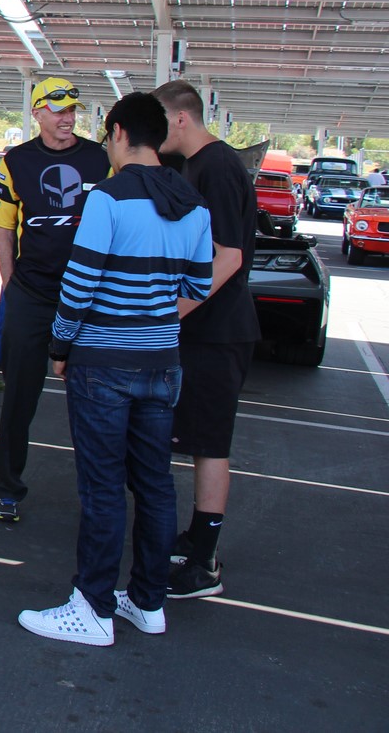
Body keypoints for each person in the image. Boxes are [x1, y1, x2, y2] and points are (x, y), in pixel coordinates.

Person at [17, 93, 214, 646]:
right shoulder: (194, 205)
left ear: (121, 133)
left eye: (106, 136)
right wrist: (153, 313)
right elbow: (198, 286)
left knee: (102, 487)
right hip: (162, 363)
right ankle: (148, 602)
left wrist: (60, 346)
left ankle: (93, 608)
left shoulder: (106, 198)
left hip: (103, 364)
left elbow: (78, 284)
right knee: (154, 484)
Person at [0, 76, 112, 522]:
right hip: (32, 295)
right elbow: (2, 226)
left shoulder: (102, 158)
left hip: (92, 297)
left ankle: (100, 494)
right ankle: (7, 489)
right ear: (37, 113)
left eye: (72, 110)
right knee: (20, 395)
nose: (67, 118)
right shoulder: (16, 161)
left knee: (97, 397)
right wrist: (10, 284)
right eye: (58, 111)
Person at [153, 79, 260, 599]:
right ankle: (196, 540)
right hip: (208, 331)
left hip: (219, 334)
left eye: (158, 122)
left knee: (210, 446)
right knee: (196, 440)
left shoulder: (215, 166)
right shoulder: (197, 165)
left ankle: (204, 565)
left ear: (180, 119)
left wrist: (172, 314)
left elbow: (229, 256)